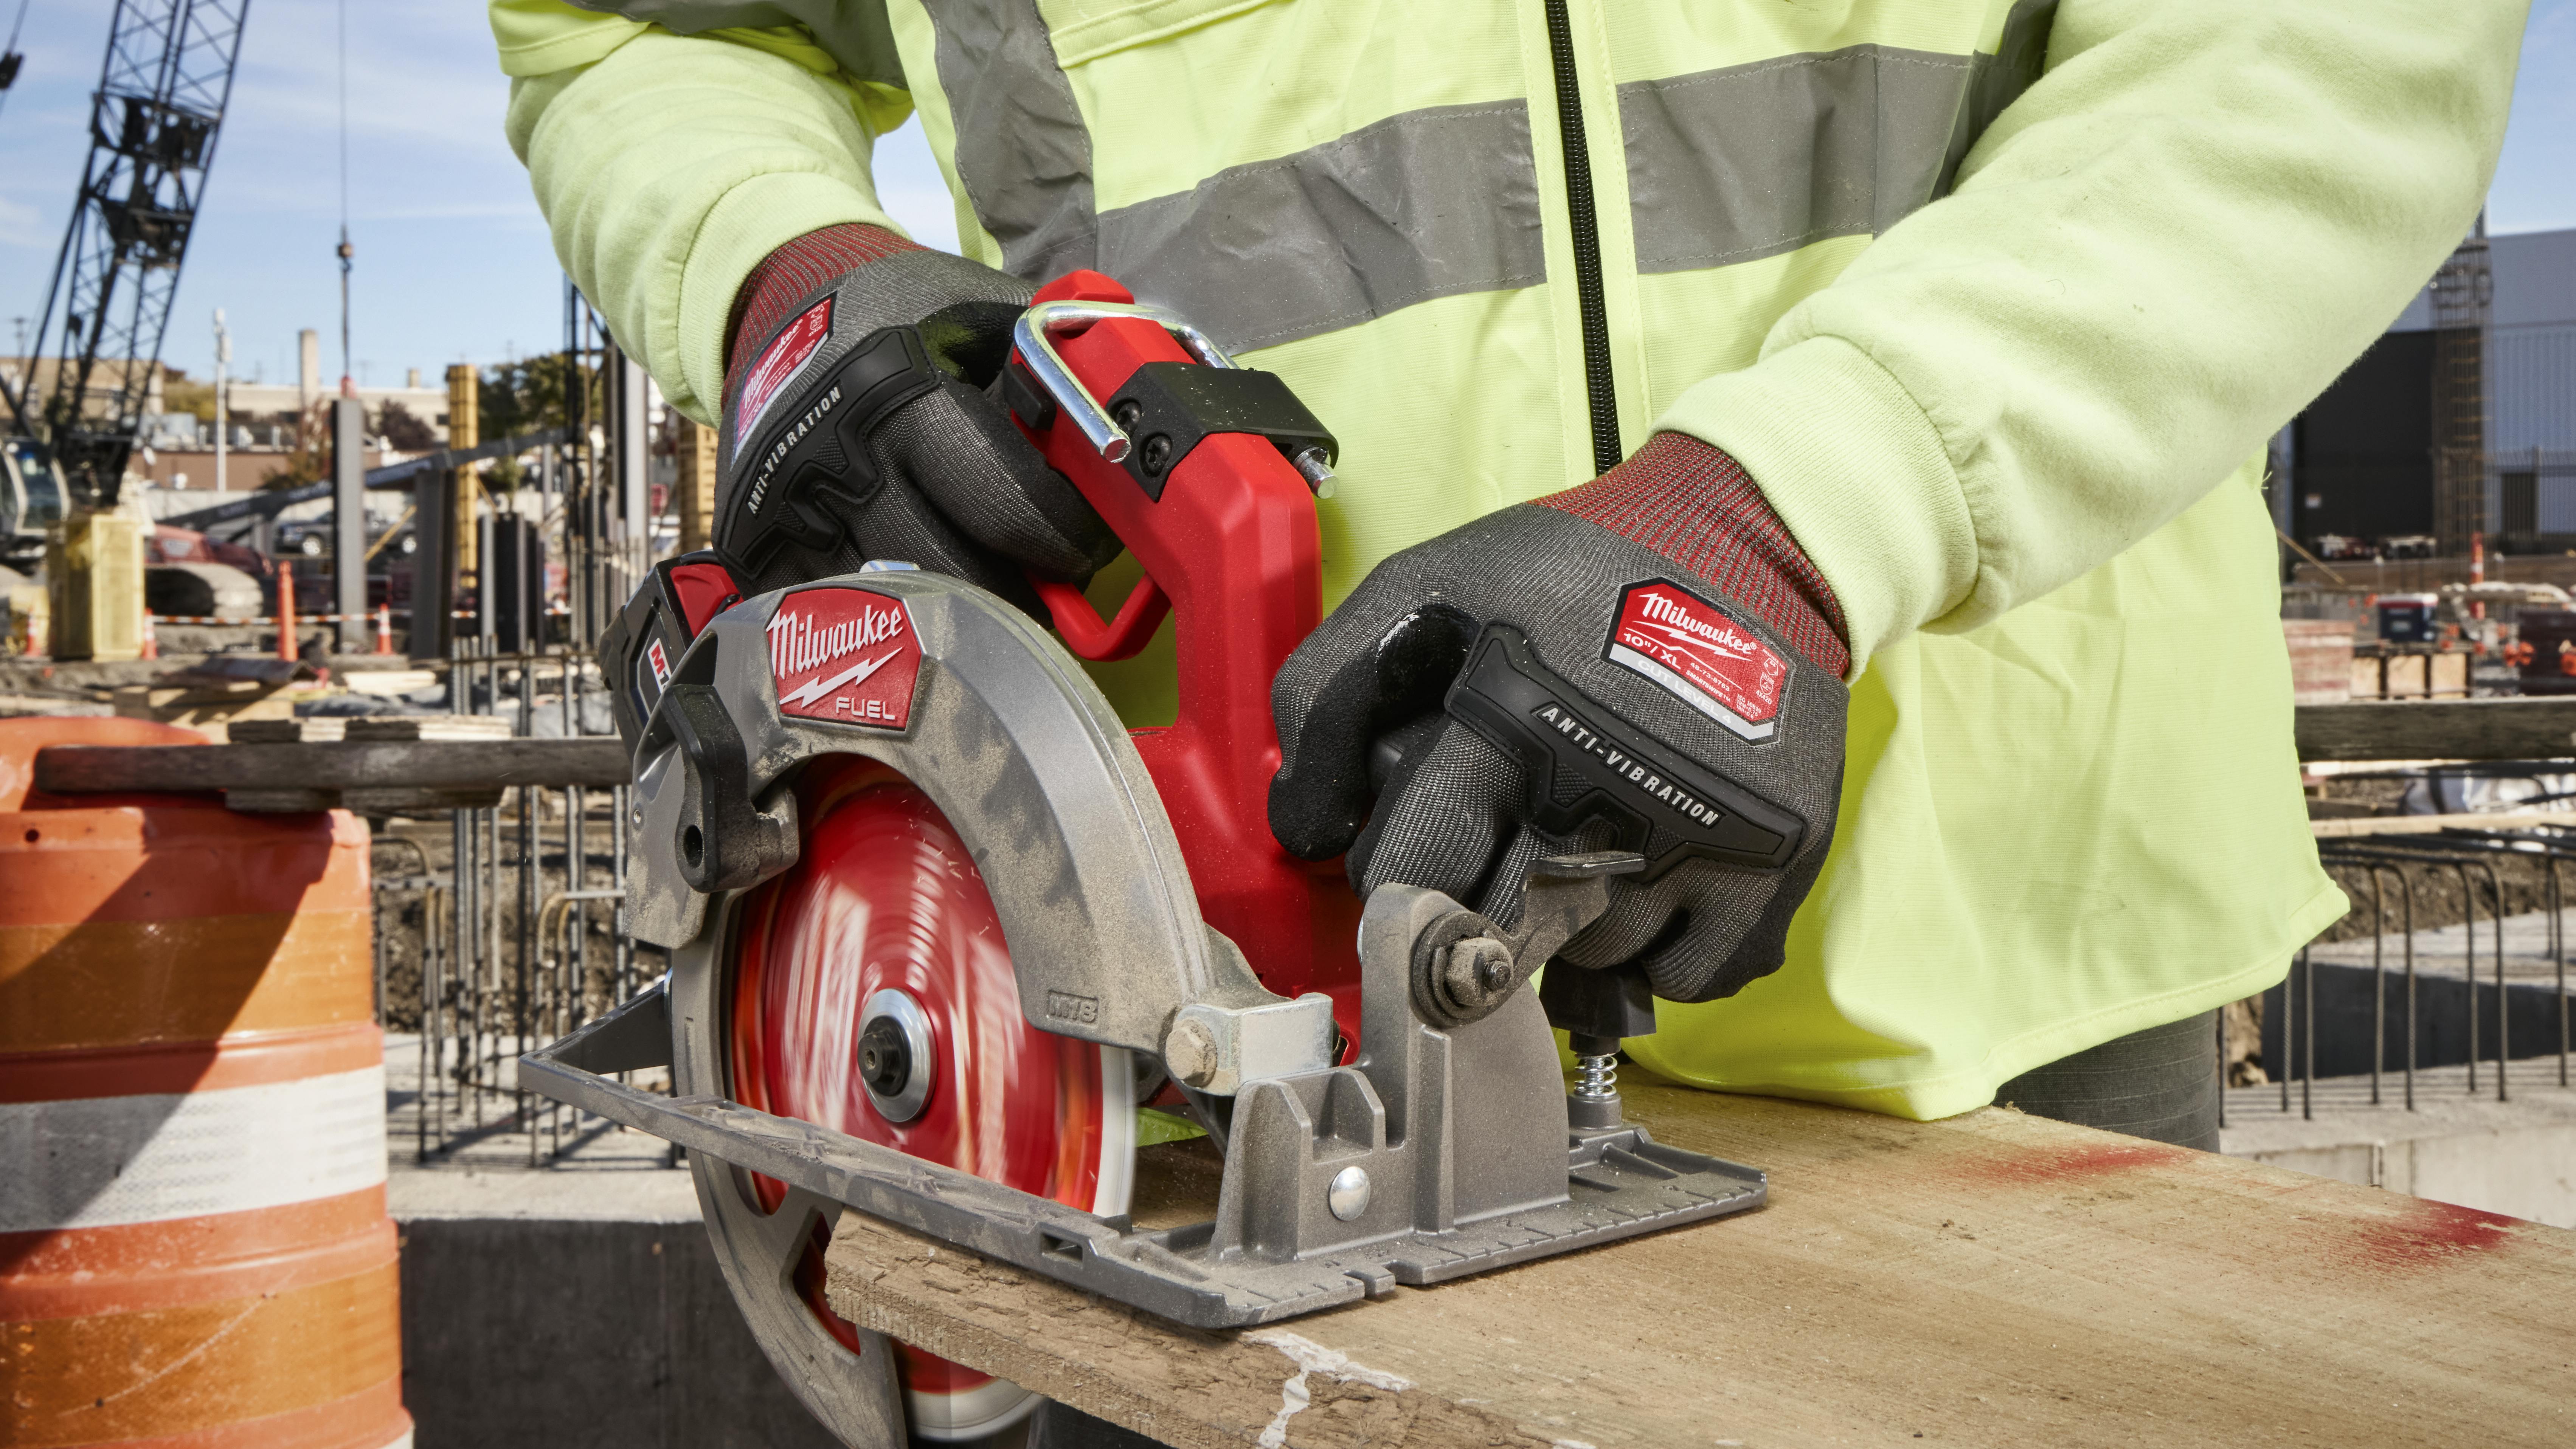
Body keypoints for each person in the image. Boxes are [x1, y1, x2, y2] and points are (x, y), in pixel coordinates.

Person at [492, 0, 2525, 1148]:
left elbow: (2321, 40)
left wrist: (1812, 506)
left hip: (2010, 967)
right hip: (1218, 989)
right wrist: (774, 260)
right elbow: (647, 30)